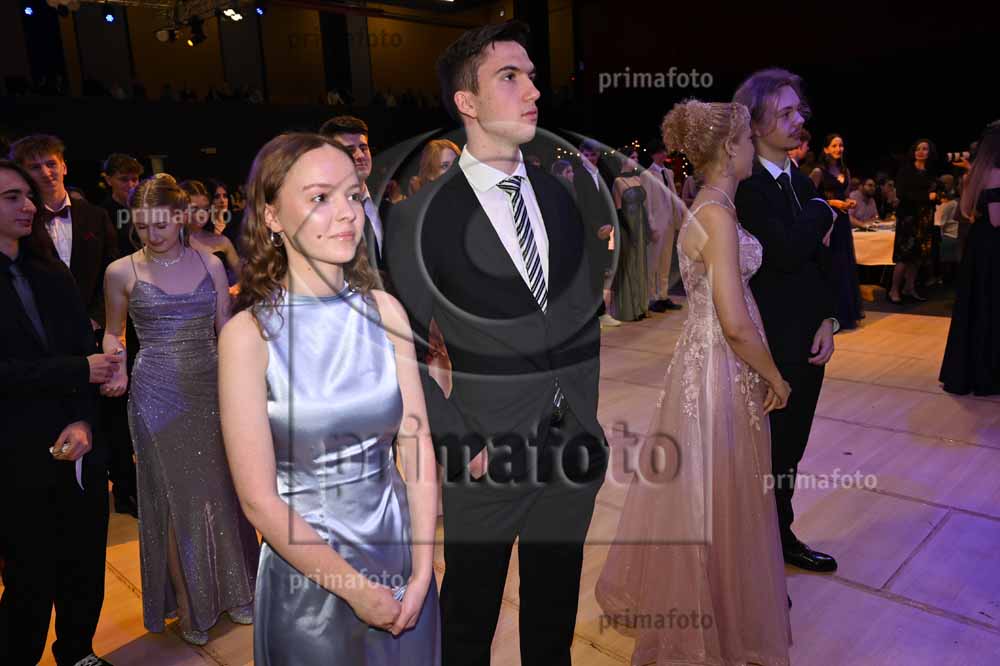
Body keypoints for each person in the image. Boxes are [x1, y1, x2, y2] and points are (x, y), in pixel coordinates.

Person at [387, 21, 607, 666]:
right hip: (486, 455)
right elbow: (400, 347)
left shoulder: (561, 196)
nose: (532, 90)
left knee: (553, 616)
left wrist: (587, 420)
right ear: (467, 101)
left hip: (573, 448)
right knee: (469, 618)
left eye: (531, 76)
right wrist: (458, 441)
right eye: (509, 77)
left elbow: (577, 318)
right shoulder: (418, 218)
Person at [218, 133, 440, 664]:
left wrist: (423, 569)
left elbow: (416, 447)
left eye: (353, 195)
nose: (347, 213)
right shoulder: (249, 336)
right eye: (320, 197)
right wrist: (357, 591)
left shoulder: (384, 311)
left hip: (399, 555)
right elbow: (258, 500)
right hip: (308, 580)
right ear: (272, 216)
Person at [598, 98, 792, 666]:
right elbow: (734, 321)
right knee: (723, 492)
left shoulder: (707, 206)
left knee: (711, 493)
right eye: (748, 140)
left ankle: (715, 608)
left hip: (703, 363)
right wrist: (776, 376)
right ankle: (714, 623)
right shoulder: (717, 217)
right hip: (722, 368)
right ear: (730, 149)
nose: (754, 148)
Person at [101, 174, 259, 646]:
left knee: (224, 490)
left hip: (210, 387)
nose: (151, 235)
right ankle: (191, 606)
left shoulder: (210, 263)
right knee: (173, 500)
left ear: (180, 217)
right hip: (155, 394)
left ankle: (238, 590)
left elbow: (225, 330)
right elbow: (113, 332)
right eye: (142, 226)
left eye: (161, 225)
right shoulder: (120, 271)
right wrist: (115, 363)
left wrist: (246, 380)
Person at [0, 159, 119, 666]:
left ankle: (78, 651)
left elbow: (85, 354)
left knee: (84, 560)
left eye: (28, 195)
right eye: (12, 197)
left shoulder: (50, 270)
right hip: (14, 449)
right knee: (29, 571)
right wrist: (75, 371)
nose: (28, 205)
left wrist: (84, 420)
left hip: (78, 439)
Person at [733, 68, 840, 573]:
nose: (800, 120)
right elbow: (789, 251)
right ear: (755, 124)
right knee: (767, 452)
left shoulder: (796, 178)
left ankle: (780, 537)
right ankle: (760, 555)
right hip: (768, 343)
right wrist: (823, 210)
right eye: (786, 113)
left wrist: (828, 319)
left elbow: (820, 264)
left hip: (805, 337)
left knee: (791, 447)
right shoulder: (748, 186)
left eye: (800, 110)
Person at [10, 135, 119, 333]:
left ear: (64, 167)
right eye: (35, 167)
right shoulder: (19, 220)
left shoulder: (96, 216)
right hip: (40, 331)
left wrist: (97, 318)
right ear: (23, 174)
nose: (45, 172)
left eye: (51, 164)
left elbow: (112, 272)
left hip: (93, 330)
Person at [939, 120, 1000, 396]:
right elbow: (998, 220)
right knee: (990, 307)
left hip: (980, 244)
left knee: (977, 307)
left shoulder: (974, 174)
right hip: (994, 246)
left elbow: (966, 212)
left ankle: (969, 371)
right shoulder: (997, 174)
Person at [320, 116, 389, 277]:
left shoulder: (386, 208)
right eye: (350, 150)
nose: (360, 155)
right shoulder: (322, 213)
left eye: (364, 148)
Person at [811, 134, 863, 329]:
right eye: (834, 145)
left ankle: (845, 314)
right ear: (826, 149)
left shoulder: (845, 171)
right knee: (831, 265)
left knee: (844, 264)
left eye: (840, 145)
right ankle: (829, 315)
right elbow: (810, 198)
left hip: (842, 223)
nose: (838, 149)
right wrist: (833, 202)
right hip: (827, 223)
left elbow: (845, 194)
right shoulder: (819, 172)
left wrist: (849, 202)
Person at [573, 138, 620, 327]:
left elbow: (608, 203)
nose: (589, 158)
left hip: (604, 231)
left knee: (601, 274)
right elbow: (581, 206)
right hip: (588, 233)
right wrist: (597, 228)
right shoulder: (579, 175)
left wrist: (609, 225)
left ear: (598, 155)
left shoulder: (602, 175)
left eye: (592, 155)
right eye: (586, 155)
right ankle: (593, 316)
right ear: (581, 155)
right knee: (591, 275)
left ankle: (600, 313)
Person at [888, 139, 938, 304]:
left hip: (925, 218)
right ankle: (894, 289)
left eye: (925, 149)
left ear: (930, 152)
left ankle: (909, 287)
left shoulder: (931, 171)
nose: (921, 152)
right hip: (908, 218)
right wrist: (926, 197)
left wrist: (937, 196)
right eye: (918, 149)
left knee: (918, 256)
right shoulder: (906, 170)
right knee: (904, 256)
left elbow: (937, 191)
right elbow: (902, 194)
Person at [642, 139, 683, 312]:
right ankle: (652, 298)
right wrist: (651, 226)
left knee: (666, 262)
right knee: (653, 263)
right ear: (653, 154)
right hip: (657, 224)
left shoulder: (668, 173)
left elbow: (674, 197)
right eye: (659, 152)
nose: (663, 154)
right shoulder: (647, 174)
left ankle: (663, 295)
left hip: (669, 222)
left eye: (664, 151)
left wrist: (678, 220)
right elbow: (647, 203)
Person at [612, 148, 651, 321]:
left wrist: (648, 226)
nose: (636, 159)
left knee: (641, 263)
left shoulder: (638, 178)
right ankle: (630, 309)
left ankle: (641, 306)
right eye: (632, 157)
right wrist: (626, 231)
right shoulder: (618, 181)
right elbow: (618, 209)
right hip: (628, 225)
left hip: (641, 224)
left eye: (636, 157)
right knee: (629, 264)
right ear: (623, 159)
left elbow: (644, 206)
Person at [180, 179, 240, 285]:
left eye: (206, 209)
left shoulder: (222, 241)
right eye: (194, 209)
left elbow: (243, 278)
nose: (202, 214)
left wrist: (233, 289)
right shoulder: (170, 244)